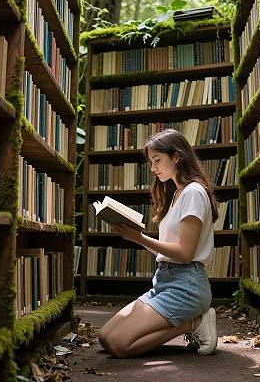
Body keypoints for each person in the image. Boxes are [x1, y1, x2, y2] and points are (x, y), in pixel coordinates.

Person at [98, 128, 219, 358]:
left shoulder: (193, 192)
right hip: (164, 280)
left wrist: (139, 238)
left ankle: (194, 323)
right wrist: (134, 235)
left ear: (177, 157)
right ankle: (189, 322)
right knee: (105, 336)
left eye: (157, 160)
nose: (153, 168)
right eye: (151, 162)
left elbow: (184, 253)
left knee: (118, 344)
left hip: (186, 285)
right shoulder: (176, 193)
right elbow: (168, 250)